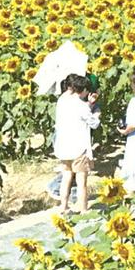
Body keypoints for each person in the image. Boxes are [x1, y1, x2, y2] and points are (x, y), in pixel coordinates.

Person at [52, 75, 99, 213]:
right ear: (82, 90)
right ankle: (83, 208)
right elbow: (94, 124)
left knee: (66, 176)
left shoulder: (62, 100)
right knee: (81, 181)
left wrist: (88, 104)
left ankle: (63, 205)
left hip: (63, 147)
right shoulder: (80, 105)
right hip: (79, 148)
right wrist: (95, 113)